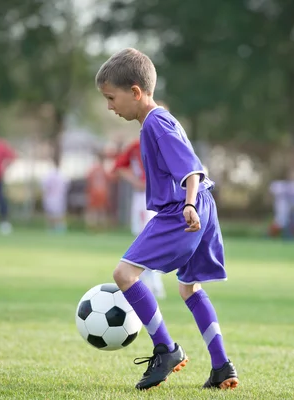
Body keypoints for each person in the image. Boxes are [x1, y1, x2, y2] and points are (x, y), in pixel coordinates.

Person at [95, 48, 238, 391]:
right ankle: (221, 366)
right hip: (202, 206)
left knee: (124, 275)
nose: (109, 106)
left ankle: (166, 348)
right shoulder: (159, 121)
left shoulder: (156, 122)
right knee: (189, 288)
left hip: (183, 209)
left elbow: (191, 168)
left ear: (135, 91)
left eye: (111, 97)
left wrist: (188, 205)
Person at [112, 138, 166, 299]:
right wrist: (136, 181)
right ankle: (147, 280)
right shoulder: (136, 146)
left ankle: (153, 281)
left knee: (153, 239)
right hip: (142, 198)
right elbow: (118, 167)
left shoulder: (166, 142)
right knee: (143, 237)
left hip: (160, 196)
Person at [269, 168, 294, 240]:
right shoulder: (283, 185)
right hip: (286, 208)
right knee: (283, 223)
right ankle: (283, 237)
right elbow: (272, 192)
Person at [41, 156, 68, 233]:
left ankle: (53, 228)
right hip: (58, 196)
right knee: (58, 213)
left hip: (51, 196)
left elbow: (44, 186)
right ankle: (57, 228)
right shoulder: (61, 174)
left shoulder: (50, 174)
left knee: (52, 213)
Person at [85, 151, 111, 231]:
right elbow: (109, 179)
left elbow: (88, 180)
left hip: (94, 192)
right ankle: (101, 228)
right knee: (101, 211)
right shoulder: (103, 170)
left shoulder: (93, 170)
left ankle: (92, 228)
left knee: (92, 211)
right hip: (102, 192)